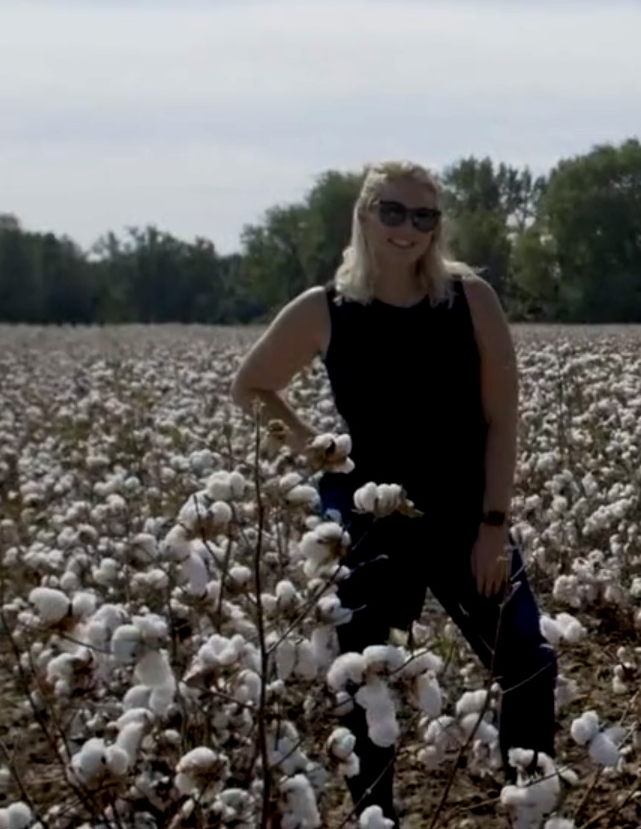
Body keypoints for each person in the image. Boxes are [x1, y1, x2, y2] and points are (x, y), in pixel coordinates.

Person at [231, 159, 556, 818]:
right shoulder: (326, 310)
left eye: (424, 216)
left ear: (437, 227)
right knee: (364, 682)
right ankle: (377, 815)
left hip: (465, 512)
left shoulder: (470, 300)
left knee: (527, 660)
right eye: (394, 212)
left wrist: (493, 526)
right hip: (364, 521)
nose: (408, 228)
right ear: (365, 214)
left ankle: (529, 805)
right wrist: (310, 445)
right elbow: (252, 384)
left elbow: (501, 417)